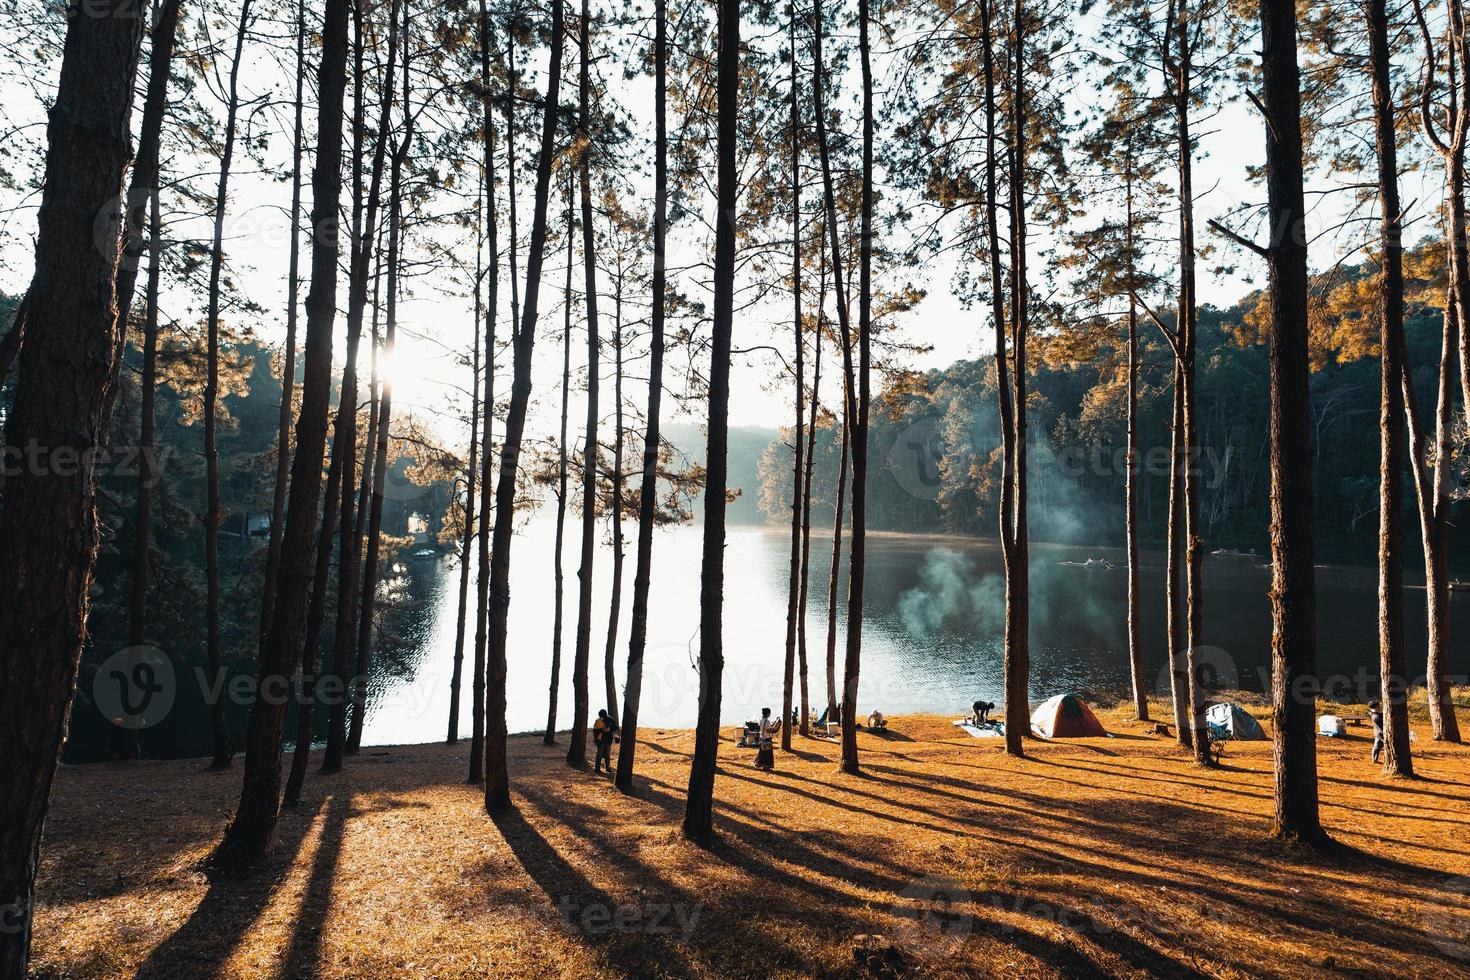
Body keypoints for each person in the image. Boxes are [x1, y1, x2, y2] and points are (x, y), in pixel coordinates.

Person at [593, 708, 618, 774]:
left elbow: (615, 727)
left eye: (602, 717)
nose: (601, 718)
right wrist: (602, 730)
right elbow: (595, 730)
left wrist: (609, 729)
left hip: (608, 740)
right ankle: (597, 768)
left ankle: (608, 768)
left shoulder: (610, 719)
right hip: (600, 740)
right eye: (600, 717)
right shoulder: (597, 721)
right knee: (599, 754)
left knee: (607, 755)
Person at [1369, 700, 1384, 765]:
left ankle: (1374, 759)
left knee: (1377, 747)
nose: (1380, 706)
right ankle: (1374, 759)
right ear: (1375, 707)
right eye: (1379, 706)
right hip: (1381, 734)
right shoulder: (1376, 716)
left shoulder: (1376, 714)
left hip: (1379, 733)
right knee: (1377, 747)